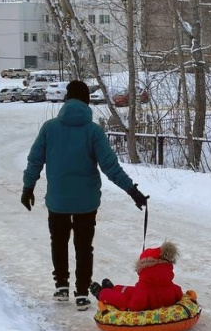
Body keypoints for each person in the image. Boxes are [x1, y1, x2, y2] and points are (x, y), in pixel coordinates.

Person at [21, 79, 149, 311]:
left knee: (58, 242)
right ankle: (81, 293)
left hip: (58, 201)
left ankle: (61, 286)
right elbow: (110, 166)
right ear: (87, 101)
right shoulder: (93, 131)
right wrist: (133, 191)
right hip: (86, 202)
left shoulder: (50, 128)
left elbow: (35, 160)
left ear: (66, 99)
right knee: (84, 246)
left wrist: (28, 187)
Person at [90, 241, 183, 312]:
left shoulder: (143, 289)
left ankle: (102, 293)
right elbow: (180, 294)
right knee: (132, 291)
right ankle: (114, 288)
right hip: (156, 298)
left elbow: (135, 305)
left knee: (123, 299)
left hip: (143, 302)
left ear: (143, 269)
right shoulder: (171, 286)